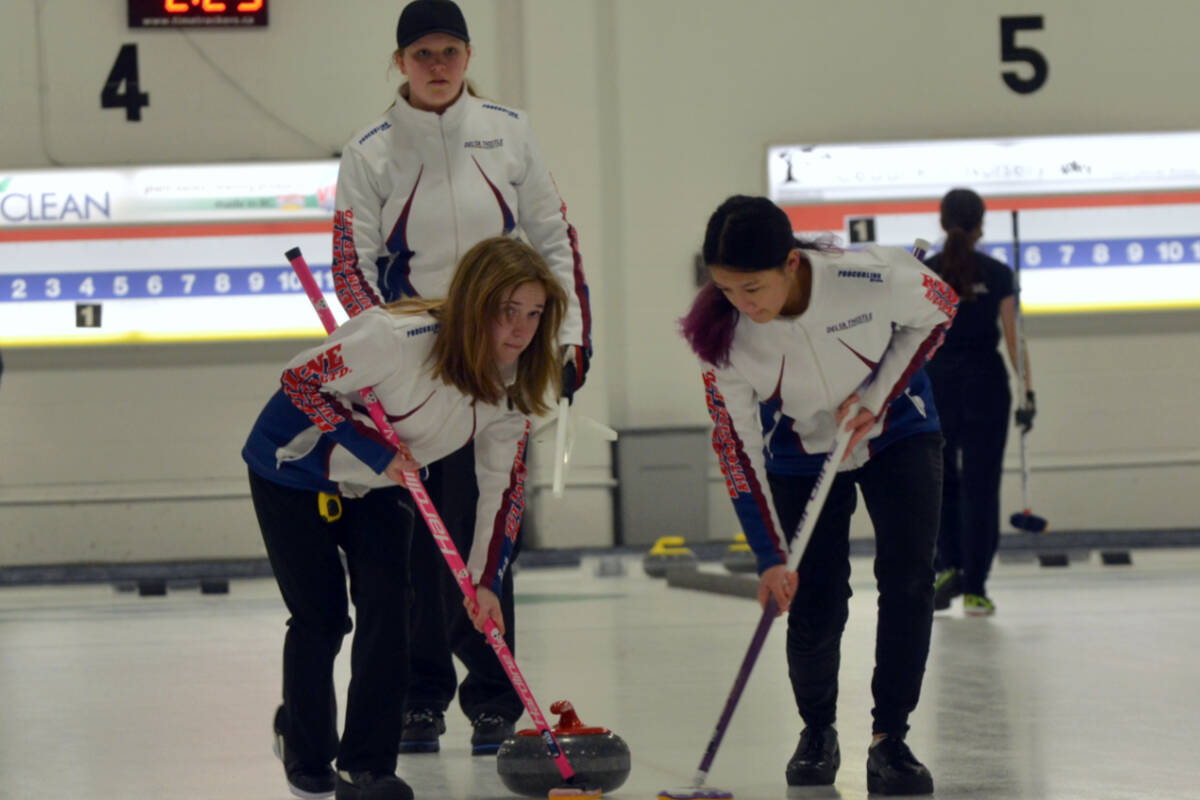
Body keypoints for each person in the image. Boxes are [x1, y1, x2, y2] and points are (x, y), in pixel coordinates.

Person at [330, 0, 593, 756]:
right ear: (400, 62)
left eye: (450, 51)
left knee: (487, 520)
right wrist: (384, 350)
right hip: (416, 360)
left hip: (499, 354)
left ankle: (492, 696)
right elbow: (352, 262)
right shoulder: (370, 150)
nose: (437, 65)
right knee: (415, 530)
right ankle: (420, 696)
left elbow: (552, 234)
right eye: (422, 54)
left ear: (468, 56)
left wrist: (569, 336)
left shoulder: (509, 129)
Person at [242, 237, 566, 800]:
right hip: (292, 470)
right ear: (473, 303)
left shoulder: (509, 389)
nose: (521, 329)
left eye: (534, 314)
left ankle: (366, 766)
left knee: (391, 614)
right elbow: (299, 382)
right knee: (322, 619)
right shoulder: (392, 340)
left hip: (378, 484)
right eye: (507, 310)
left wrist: (487, 581)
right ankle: (305, 747)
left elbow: (502, 488)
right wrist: (370, 446)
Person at [680, 195, 957, 796]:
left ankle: (891, 739)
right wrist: (767, 554)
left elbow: (940, 308)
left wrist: (879, 395)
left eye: (752, 288)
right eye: (726, 290)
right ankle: (817, 731)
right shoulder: (722, 337)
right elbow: (737, 446)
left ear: (791, 264)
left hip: (898, 433)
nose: (742, 306)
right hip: (799, 453)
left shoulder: (867, 275)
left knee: (909, 580)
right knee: (814, 598)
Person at [924, 188, 1034, 617]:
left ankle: (947, 565)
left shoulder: (927, 272)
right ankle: (976, 587)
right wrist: (1028, 392)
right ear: (980, 224)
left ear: (942, 221)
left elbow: (913, 339)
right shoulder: (999, 272)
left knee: (941, 484)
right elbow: (1014, 338)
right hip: (987, 385)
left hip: (939, 383)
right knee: (981, 488)